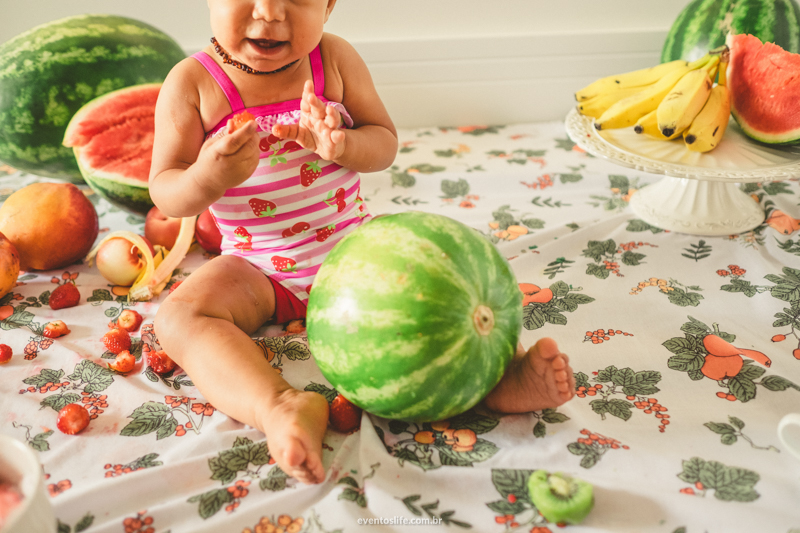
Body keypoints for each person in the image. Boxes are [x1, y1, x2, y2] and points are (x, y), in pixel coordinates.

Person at [150, 0, 576, 486]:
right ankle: (279, 405)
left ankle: (500, 376)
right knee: (179, 317)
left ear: (329, 5)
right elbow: (166, 190)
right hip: (257, 268)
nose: (269, 12)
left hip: (354, 248)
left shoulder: (333, 60)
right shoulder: (192, 84)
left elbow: (384, 142)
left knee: (449, 271)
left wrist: (344, 146)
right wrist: (207, 177)